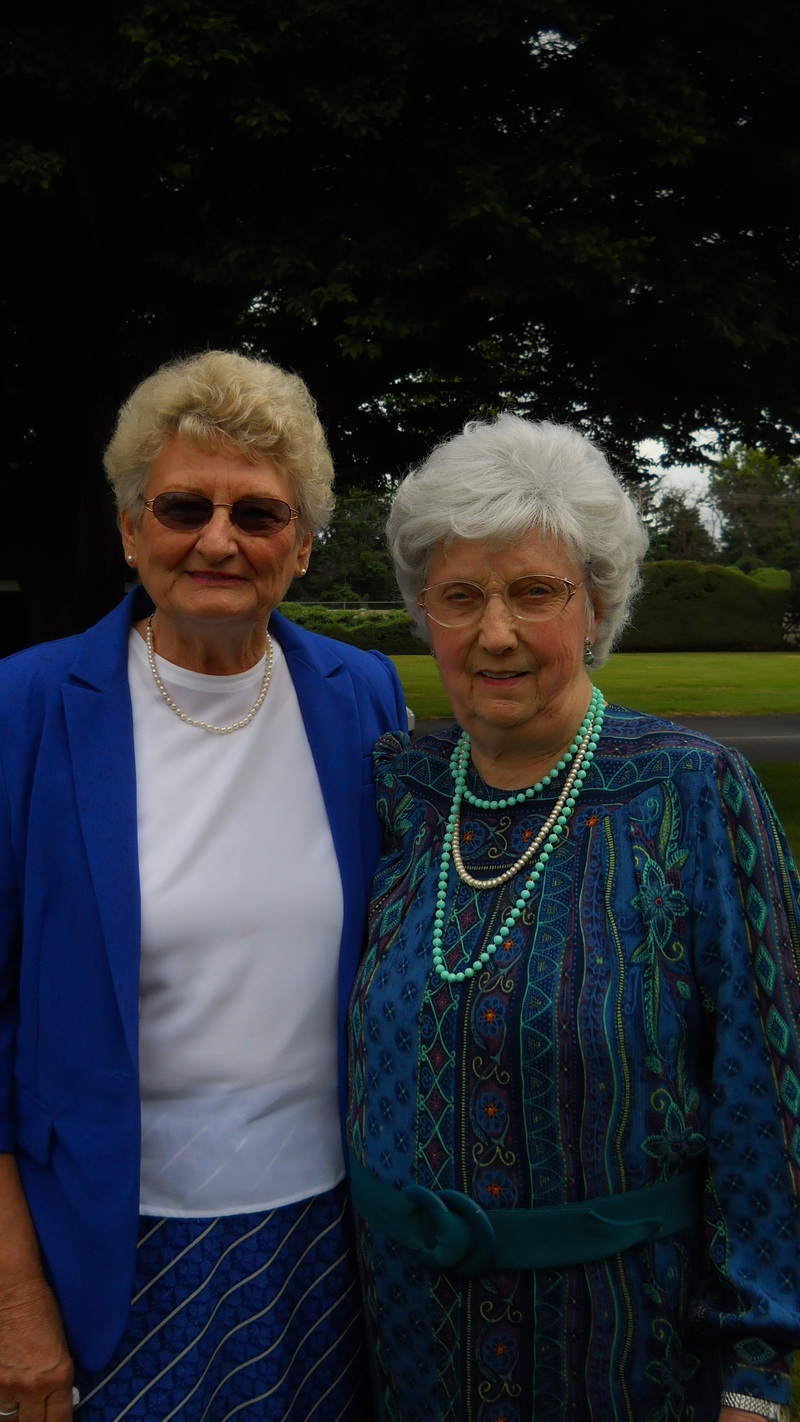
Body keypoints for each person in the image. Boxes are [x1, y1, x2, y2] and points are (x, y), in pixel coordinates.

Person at [346, 415, 800, 1422]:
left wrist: (754, 1374)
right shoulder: (398, 790)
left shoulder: (692, 794)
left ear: (594, 606)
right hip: (401, 1344)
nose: (493, 632)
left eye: (533, 592)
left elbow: (765, 1090)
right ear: (424, 613)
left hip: (618, 1350)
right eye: (458, 596)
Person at [0, 349, 407, 1421]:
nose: (218, 539)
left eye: (259, 515)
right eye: (183, 506)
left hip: (330, 1239)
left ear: (304, 546)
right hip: (114, 1247)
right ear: (132, 529)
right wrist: (13, 1300)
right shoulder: (27, 708)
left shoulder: (359, 694)